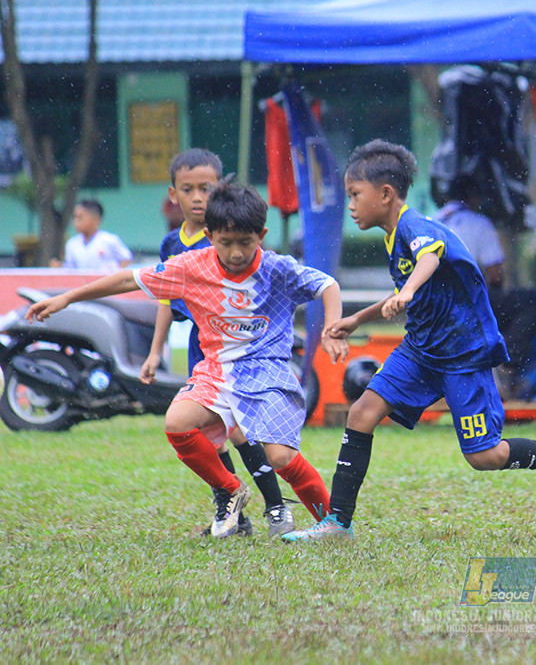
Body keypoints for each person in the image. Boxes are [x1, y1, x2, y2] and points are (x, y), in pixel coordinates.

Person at [281, 139, 536, 543]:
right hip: (421, 349)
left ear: (386, 194)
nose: (351, 206)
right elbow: (408, 286)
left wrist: (407, 292)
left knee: (484, 456)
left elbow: (430, 256)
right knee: (362, 413)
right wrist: (358, 318)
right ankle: (339, 524)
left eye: (355, 195)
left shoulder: (417, 227)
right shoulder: (394, 236)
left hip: (462, 355)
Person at [26, 180, 349, 539]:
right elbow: (125, 280)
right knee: (177, 423)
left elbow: (326, 284)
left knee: (281, 459)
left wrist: (333, 325)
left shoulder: (277, 269)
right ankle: (231, 489)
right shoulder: (190, 266)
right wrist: (67, 298)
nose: (237, 253)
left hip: (266, 369)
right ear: (210, 236)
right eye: (226, 243)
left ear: (262, 234)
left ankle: (334, 522)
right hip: (216, 370)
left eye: (246, 242)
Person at [140, 148, 295, 538]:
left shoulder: (233, 238)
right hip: (203, 346)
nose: (197, 197)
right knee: (212, 437)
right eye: (188, 189)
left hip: (239, 349)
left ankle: (276, 506)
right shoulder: (172, 245)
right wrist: (155, 350)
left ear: (220, 190)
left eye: (206, 188)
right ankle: (232, 511)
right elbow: (164, 299)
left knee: (242, 431)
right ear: (172, 194)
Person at [433, 182, 536, 398]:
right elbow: (496, 274)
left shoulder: (431, 221)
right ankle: (508, 363)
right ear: (475, 199)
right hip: (464, 301)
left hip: (434, 306)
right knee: (531, 301)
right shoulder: (479, 223)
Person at [56, 199, 132, 271]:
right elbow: (71, 269)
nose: (76, 222)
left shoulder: (109, 240)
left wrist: (115, 276)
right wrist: (59, 267)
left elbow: (126, 258)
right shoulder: (72, 244)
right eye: (74, 217)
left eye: (80, 218)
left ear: (96, 219)